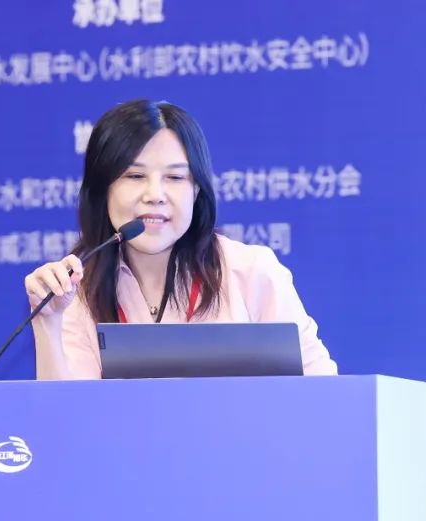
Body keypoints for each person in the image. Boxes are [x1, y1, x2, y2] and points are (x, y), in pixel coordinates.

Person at [24, 99, 338, 379]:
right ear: (103, 190)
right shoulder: (76, 290)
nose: (155, 195)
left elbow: (323, 392)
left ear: (197, 189)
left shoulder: (251, 272)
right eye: (135, 176)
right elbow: (65, 415)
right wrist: (48, 321)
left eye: (174, 177)